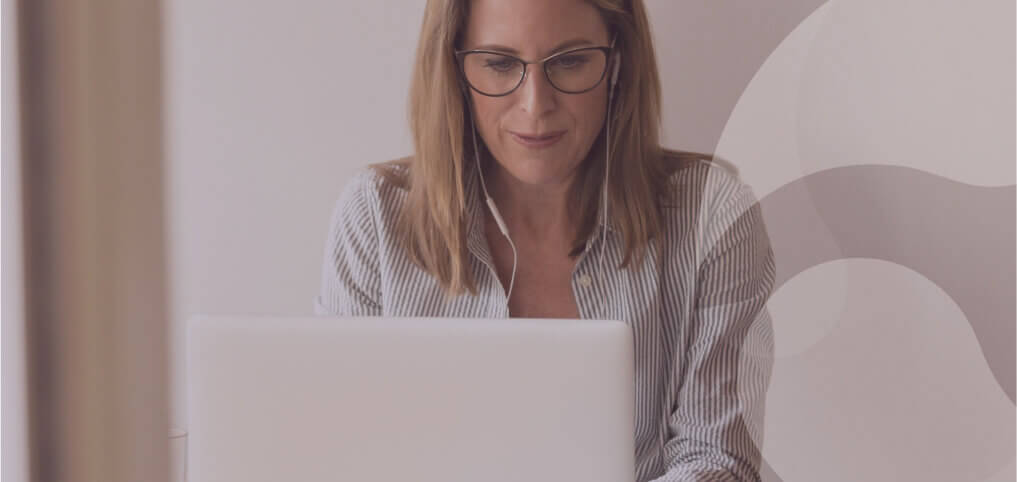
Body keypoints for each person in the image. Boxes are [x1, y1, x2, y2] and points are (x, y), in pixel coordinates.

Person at [315, 0, 776, 480]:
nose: (535, 105)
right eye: (499, 64)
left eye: (570, 61)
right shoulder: (375, 217)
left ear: (617, 59)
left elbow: (718, 461)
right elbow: (344, 454)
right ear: (452, 66)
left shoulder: (711, 218)